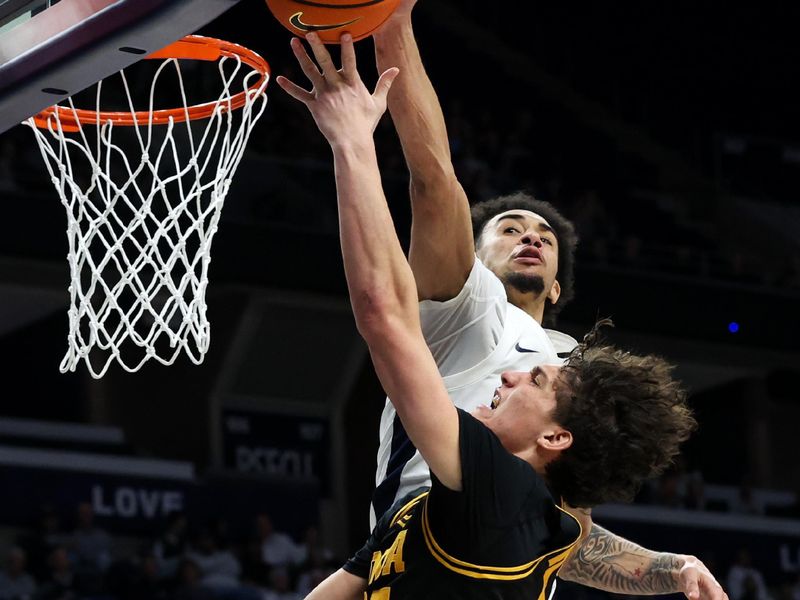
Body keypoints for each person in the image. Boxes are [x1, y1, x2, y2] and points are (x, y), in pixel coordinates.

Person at [276, 32, 725, 600]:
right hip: (415, 533)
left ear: (559, 283)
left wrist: (668, 567)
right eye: (509, 229)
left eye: (544, 236)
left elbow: (566, 534)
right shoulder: (468, 304)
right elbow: (434, 186)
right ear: (473, 257)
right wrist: (393, 30)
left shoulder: (570, 379)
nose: (529, 237)